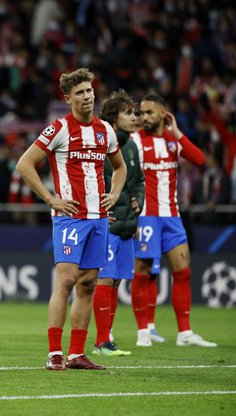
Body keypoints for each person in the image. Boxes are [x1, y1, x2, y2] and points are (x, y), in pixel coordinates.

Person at [16, 68, 126, 370]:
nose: (87, 96)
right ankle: (54, 352)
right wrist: (51, 199)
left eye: (90, 91)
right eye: (80, 93)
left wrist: (114, 194)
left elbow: (120, 167)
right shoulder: (59, 129)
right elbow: (25, 164)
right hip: (70, 219)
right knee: (65, 280)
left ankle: (76, 353)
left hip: (99, 218)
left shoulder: (105, 129)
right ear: (68, 98)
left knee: (88, 283)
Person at [131, 93, 216, 347]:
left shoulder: (172, 141)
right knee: (143, 272)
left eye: (149, 112)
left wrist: (177, 132)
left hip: (172, 217)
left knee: (183, 271)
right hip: (146, 217)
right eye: (141, 112)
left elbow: (199, 160)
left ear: (163, 113)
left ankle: (185, 333)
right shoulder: (135, 141)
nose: (143, 117)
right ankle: (143, 331)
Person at [91, 90, 144, 357]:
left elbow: (138, 183)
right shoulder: (101, 144)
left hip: (126, 224)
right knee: (105, 278)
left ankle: (106, 338)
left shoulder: (133, 146)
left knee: (117, 282)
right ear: (113, 118)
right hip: (107, 223)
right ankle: (101, 342)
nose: (134, 117)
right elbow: (91, 178)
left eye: (134, 112)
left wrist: (139, 205)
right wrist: (99, 209)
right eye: (128, 113)